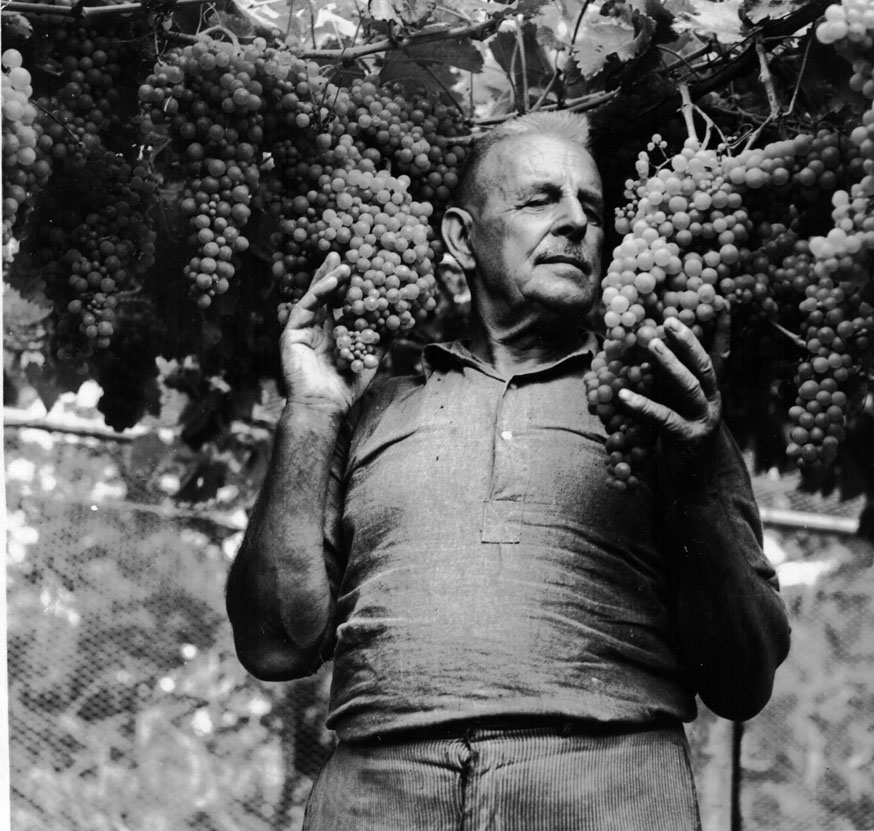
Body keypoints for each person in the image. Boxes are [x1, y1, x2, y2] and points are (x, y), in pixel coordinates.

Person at [226, 110, 791, 831]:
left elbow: (743, 678)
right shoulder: (375, 403)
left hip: (607, 790)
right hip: (378, 792)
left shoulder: (659, 405)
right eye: (539, 199)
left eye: (592, 207)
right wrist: (311, 408)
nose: (576, 223)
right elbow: (274, 643)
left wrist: (699, 470)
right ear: (461, 238)